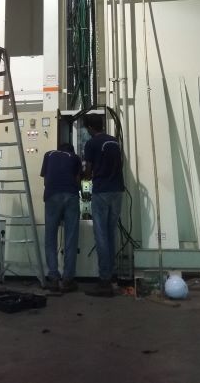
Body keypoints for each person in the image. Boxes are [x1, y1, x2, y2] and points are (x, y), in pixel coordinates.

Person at [83, 113, 124, 297]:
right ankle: (111, 276)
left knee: (100, 235)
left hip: (101, 191)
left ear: (91, 128)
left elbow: (88, 171)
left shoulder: (91, 143)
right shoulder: (114, 141)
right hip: (117, 191)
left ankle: (104, 281)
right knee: (110, 233)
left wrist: (83, 176)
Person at [40, 142, 81, 293]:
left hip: (52, 195)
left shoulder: (49, 154)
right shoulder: (75, 158)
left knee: (50, 238)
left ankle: (53, 278)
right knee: (70, 239)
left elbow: (46, 181)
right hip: (71, 196)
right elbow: (78, 182)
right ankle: (68, 280)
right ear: (71, 151)